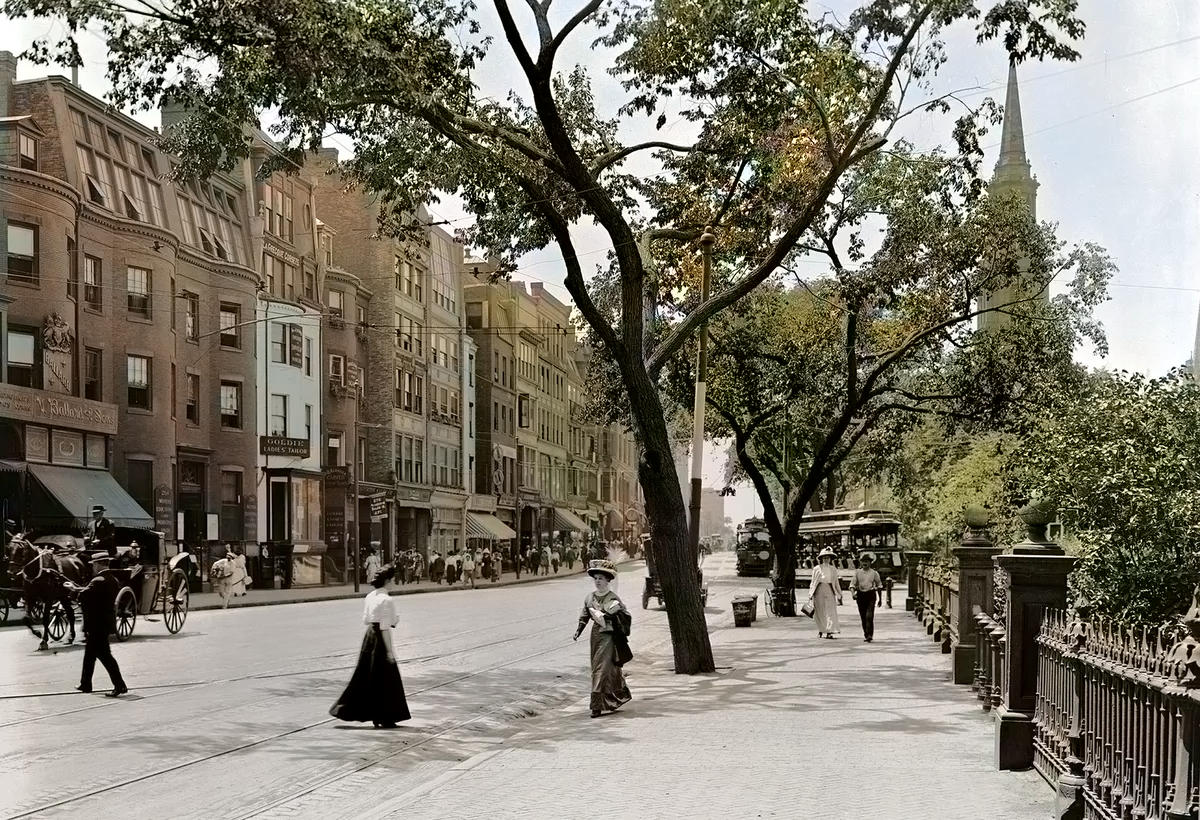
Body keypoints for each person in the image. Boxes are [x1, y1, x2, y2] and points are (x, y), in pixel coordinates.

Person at [329, 566, 411, 728]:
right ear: (388, 581)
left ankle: (357, 711)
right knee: (386, 678)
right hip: (380, 639)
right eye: (393, 579)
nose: (394, 582)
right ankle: (386, 716)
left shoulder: (370, 596)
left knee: (366, 675)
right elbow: (385, 627)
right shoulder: (387, 600)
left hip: (369, 638)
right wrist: (389, 651)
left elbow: (366, 619)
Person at [573, 559, 632, 718]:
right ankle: (613, 698)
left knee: (602, 669)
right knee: (602, 668)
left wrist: (611, 614)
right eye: (596, 578)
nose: (598, 581)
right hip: (596, 636)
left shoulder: (613, 597)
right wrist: (578, 630)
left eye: (601, 578)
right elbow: (584, 615)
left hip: (610, 636)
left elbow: (624, 616)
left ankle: (596, 706)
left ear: (608, 580)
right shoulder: (590, 597)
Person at [68, 572, 128, 697]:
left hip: (96, 624)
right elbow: (90, 591)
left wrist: (73, 591)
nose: (93, 567)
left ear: (98, 564)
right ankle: (86, 684)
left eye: (94, 564)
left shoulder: (98, 580)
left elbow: (84, 596)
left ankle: (119, 685)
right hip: (104, 623)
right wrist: (75, 587)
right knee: (90, 654)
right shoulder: (112, 579)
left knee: (104, 655)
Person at [808, 547, 843, 638]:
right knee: (820, 611)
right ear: (821, 559)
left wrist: (840, 594)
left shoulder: (833, 569)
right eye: (824, 558)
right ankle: (821, 629)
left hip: (829, 589)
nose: (826, 559)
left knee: (830, 611)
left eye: (828, 558)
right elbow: (813, 581)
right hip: (818, 590)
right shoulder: (817, 569)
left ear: (830, 559)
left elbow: (836, 582)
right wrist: (810, 594)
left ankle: (829, 631)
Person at [851, 553, 883, 642]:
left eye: (867, 561)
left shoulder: (874, 573)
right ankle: (866, 634)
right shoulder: (857, 572)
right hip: (861, 595)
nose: (865, 563)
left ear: (870, 563)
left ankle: (870, 635)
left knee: (869, 616)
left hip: (871, 595)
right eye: (863, 561)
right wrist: (853, 593)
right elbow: (852, 584)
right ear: (860, 562)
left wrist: (880, 599)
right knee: (863, 616)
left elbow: (879, 585)